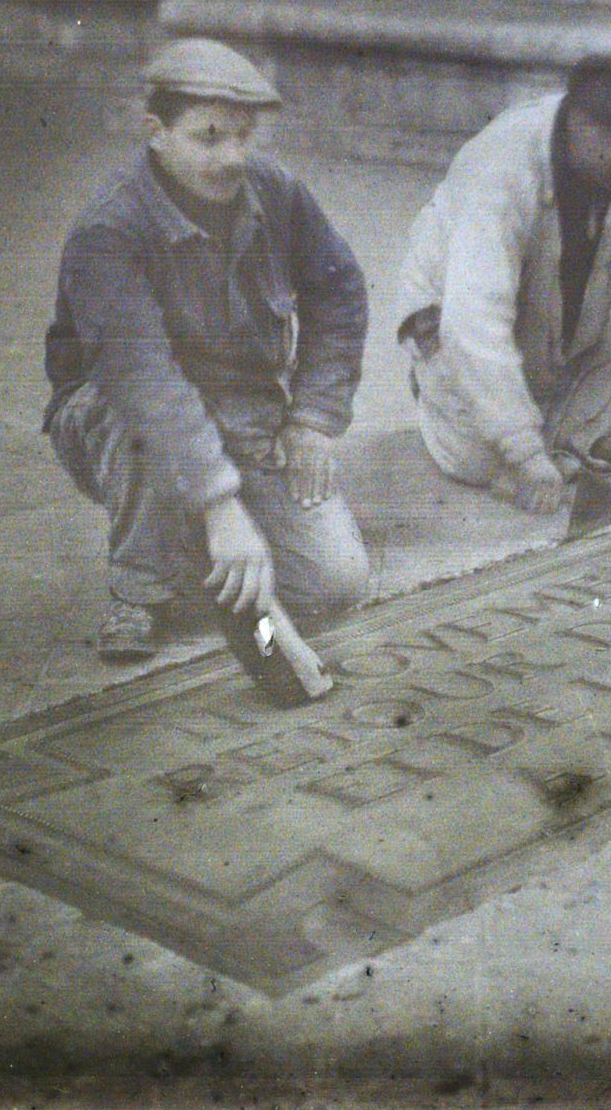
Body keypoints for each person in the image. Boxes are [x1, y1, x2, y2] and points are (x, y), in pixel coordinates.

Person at [43, 38, 371, 667]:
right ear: (156, 132)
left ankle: (191, 542)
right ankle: (139, 588)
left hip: (246, 415)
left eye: (246, 136)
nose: (233, 157)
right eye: (210, 136)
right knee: (138, 428)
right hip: (124, 418)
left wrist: (313, 418)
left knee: (337, 585)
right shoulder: (107, 232)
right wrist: (223, 507)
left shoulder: (276, 193)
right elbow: (143, 382)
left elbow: (339, 291)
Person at [396, 52, 611, 514]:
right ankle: (435, 391)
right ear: (585, 126)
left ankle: (537, 403)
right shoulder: (500, 168)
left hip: (566, 321)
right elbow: (476, 321)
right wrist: (524, 453)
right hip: (454, 322)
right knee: (482, 462)